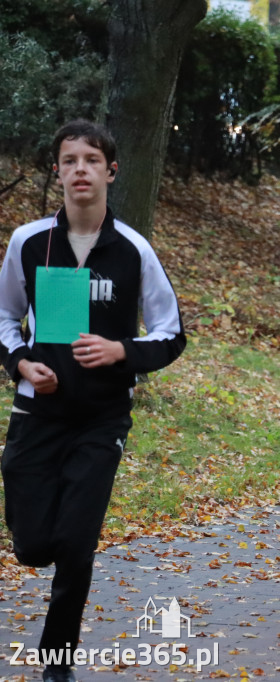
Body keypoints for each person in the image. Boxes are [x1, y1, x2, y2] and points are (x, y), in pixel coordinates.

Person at [0, 120, 187, 682]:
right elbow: (5, 318)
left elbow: (170, 333)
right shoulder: (29, 243)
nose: (80, 168)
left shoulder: (132, 250)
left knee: (77, 542)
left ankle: (58, 658)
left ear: (111, 171)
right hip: (37, 413)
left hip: (102, 418)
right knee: (34, 546)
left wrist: (119, 352)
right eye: (69, 160)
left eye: (91, 159)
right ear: (57, 173)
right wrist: (20, 364)